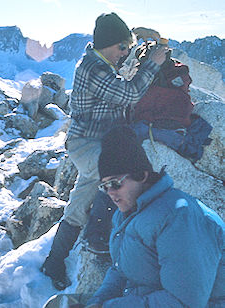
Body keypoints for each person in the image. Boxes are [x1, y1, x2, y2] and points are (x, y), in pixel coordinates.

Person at [41, 12, 167, 290]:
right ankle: (99, 241)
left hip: (99, 143)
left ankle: (54, 260)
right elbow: (129, 94)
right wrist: (154, 64)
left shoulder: (103, 61)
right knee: (114, 177)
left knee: (78, 204)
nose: (125, 53)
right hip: (87, 144)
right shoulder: (93, 68)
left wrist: (136, 46)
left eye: (127, 48)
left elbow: (122, 81)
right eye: (122, 47)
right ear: (109, 44)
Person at [43, 126, 224, 308]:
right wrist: (98, 302)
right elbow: (120, 270)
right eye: (104, 187)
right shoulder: (128, 213)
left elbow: (184, 302)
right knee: (57, 305)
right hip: (144, 298)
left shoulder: (178, 218)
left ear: (142, 176)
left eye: (115, 183)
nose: (111, 193)